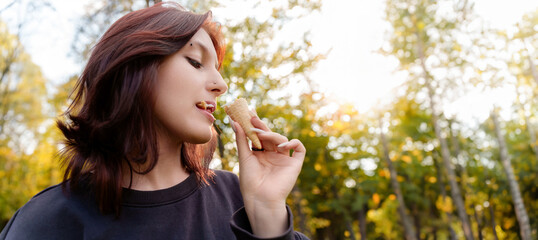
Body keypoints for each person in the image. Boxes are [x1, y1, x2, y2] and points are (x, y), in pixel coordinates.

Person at [0, 2, 308, 239]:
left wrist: (267, 215)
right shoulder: (45, 221)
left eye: (219, 69)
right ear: (133, 69)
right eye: (196, 61)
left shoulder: (240, 199)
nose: (220, 84)